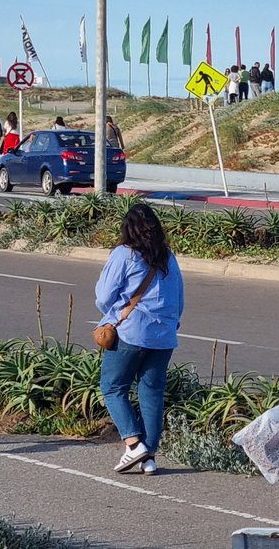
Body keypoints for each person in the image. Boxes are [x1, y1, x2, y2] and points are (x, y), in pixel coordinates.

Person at [96, 203, 185, 475]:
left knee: (112, 387)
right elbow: (179, 299)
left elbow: (103, 296)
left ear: (127, 228)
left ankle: (133, 444)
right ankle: (149, 457)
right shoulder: (168, 256)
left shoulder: (124, 255)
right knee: (152, 393)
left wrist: (114, 314)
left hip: (131, 332)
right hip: (164, 336)